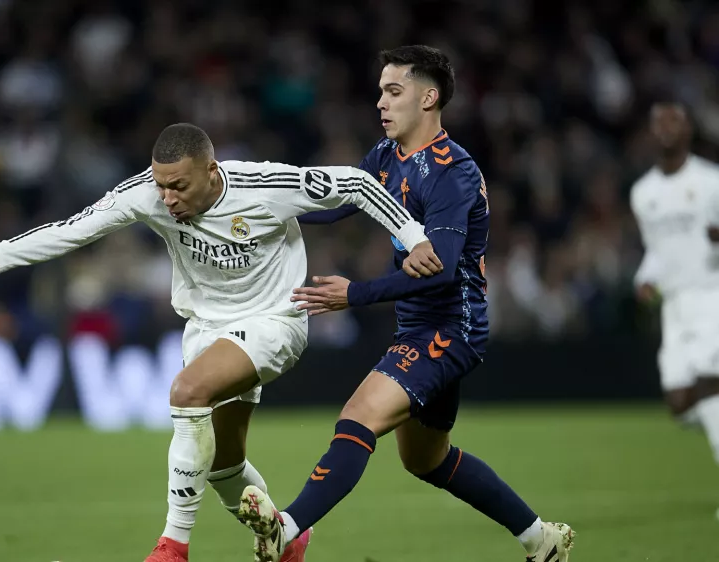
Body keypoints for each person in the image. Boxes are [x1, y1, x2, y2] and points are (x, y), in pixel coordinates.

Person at [0, 122, 442, 562]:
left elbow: (357, 183)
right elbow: (73, 229)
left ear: (211, 171)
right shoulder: (147, 193)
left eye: (179, 186)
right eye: (162, 185)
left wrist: (415, 238)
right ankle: (287, 538)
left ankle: (172, 547)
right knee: (223, 465)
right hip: (206, 328)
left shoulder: (263, 185)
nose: (167, 198)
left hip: (275, 321)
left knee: (187, 392)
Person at [237, 45, 575, 562]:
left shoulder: (453, 172)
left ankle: (288, 529)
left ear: (428, 98)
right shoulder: (386, 156)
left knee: (358, 416)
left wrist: (355, 293)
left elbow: (439, 268)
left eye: (394, 91)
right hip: (418, 326)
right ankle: (541, 540)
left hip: (450, 327)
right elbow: (338, 201)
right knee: (426, 460)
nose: (381, 102)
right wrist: (258, 209)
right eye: (380, 92)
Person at [630, 101, 719, 519]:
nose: (666, 128)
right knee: (680, 402)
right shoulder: (643, 193)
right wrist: (645, 278)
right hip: (675, 306)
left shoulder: (711, 181)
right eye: (659, 122)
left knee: (709, 384)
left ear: (688, 130)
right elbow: (656, 251)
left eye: (674, 121)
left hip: (711, 295)